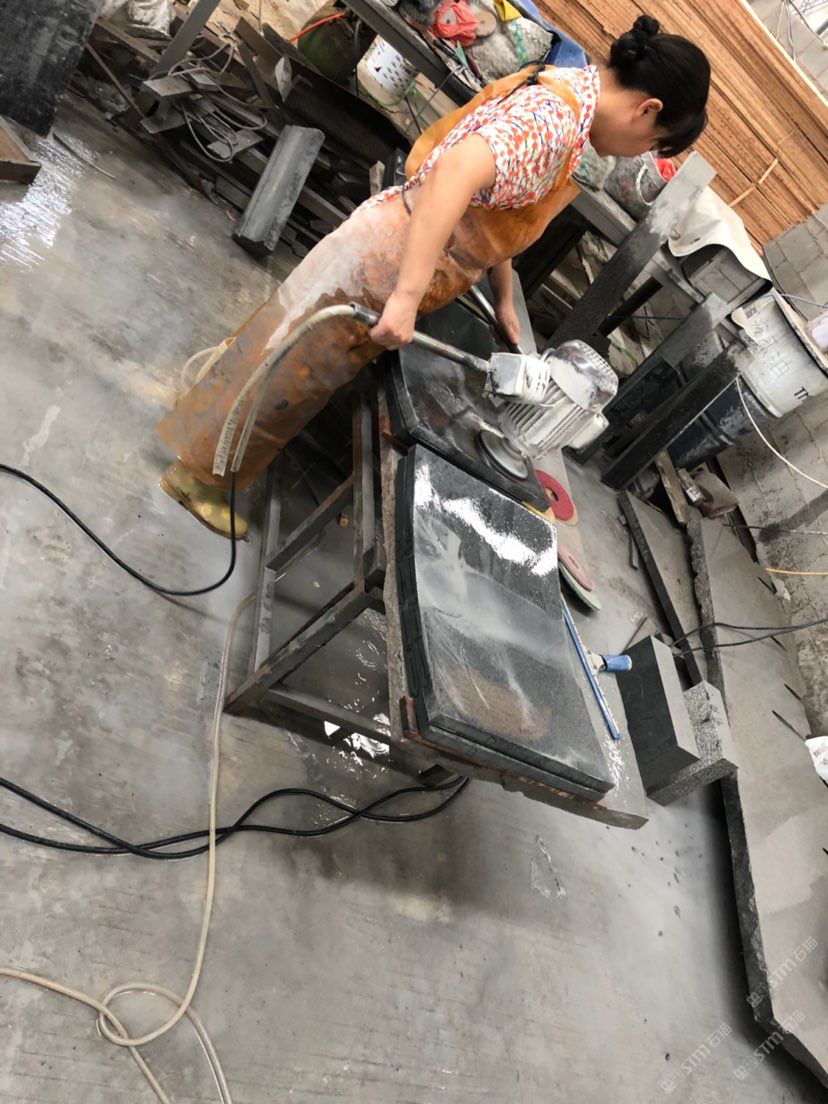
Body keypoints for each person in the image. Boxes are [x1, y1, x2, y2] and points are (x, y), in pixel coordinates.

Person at [157, 14, 710, 537]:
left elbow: (498, 203)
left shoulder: (566, 91)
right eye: (651, 145)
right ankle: (198, 480)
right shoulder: (556, 121)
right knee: (292, 370)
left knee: (285, 347)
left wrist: (504, 301)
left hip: (396, 247)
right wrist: (405, 295)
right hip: (388, 260)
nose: (637, 155)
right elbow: (455, 174)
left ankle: (202, 436)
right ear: (647, 110)